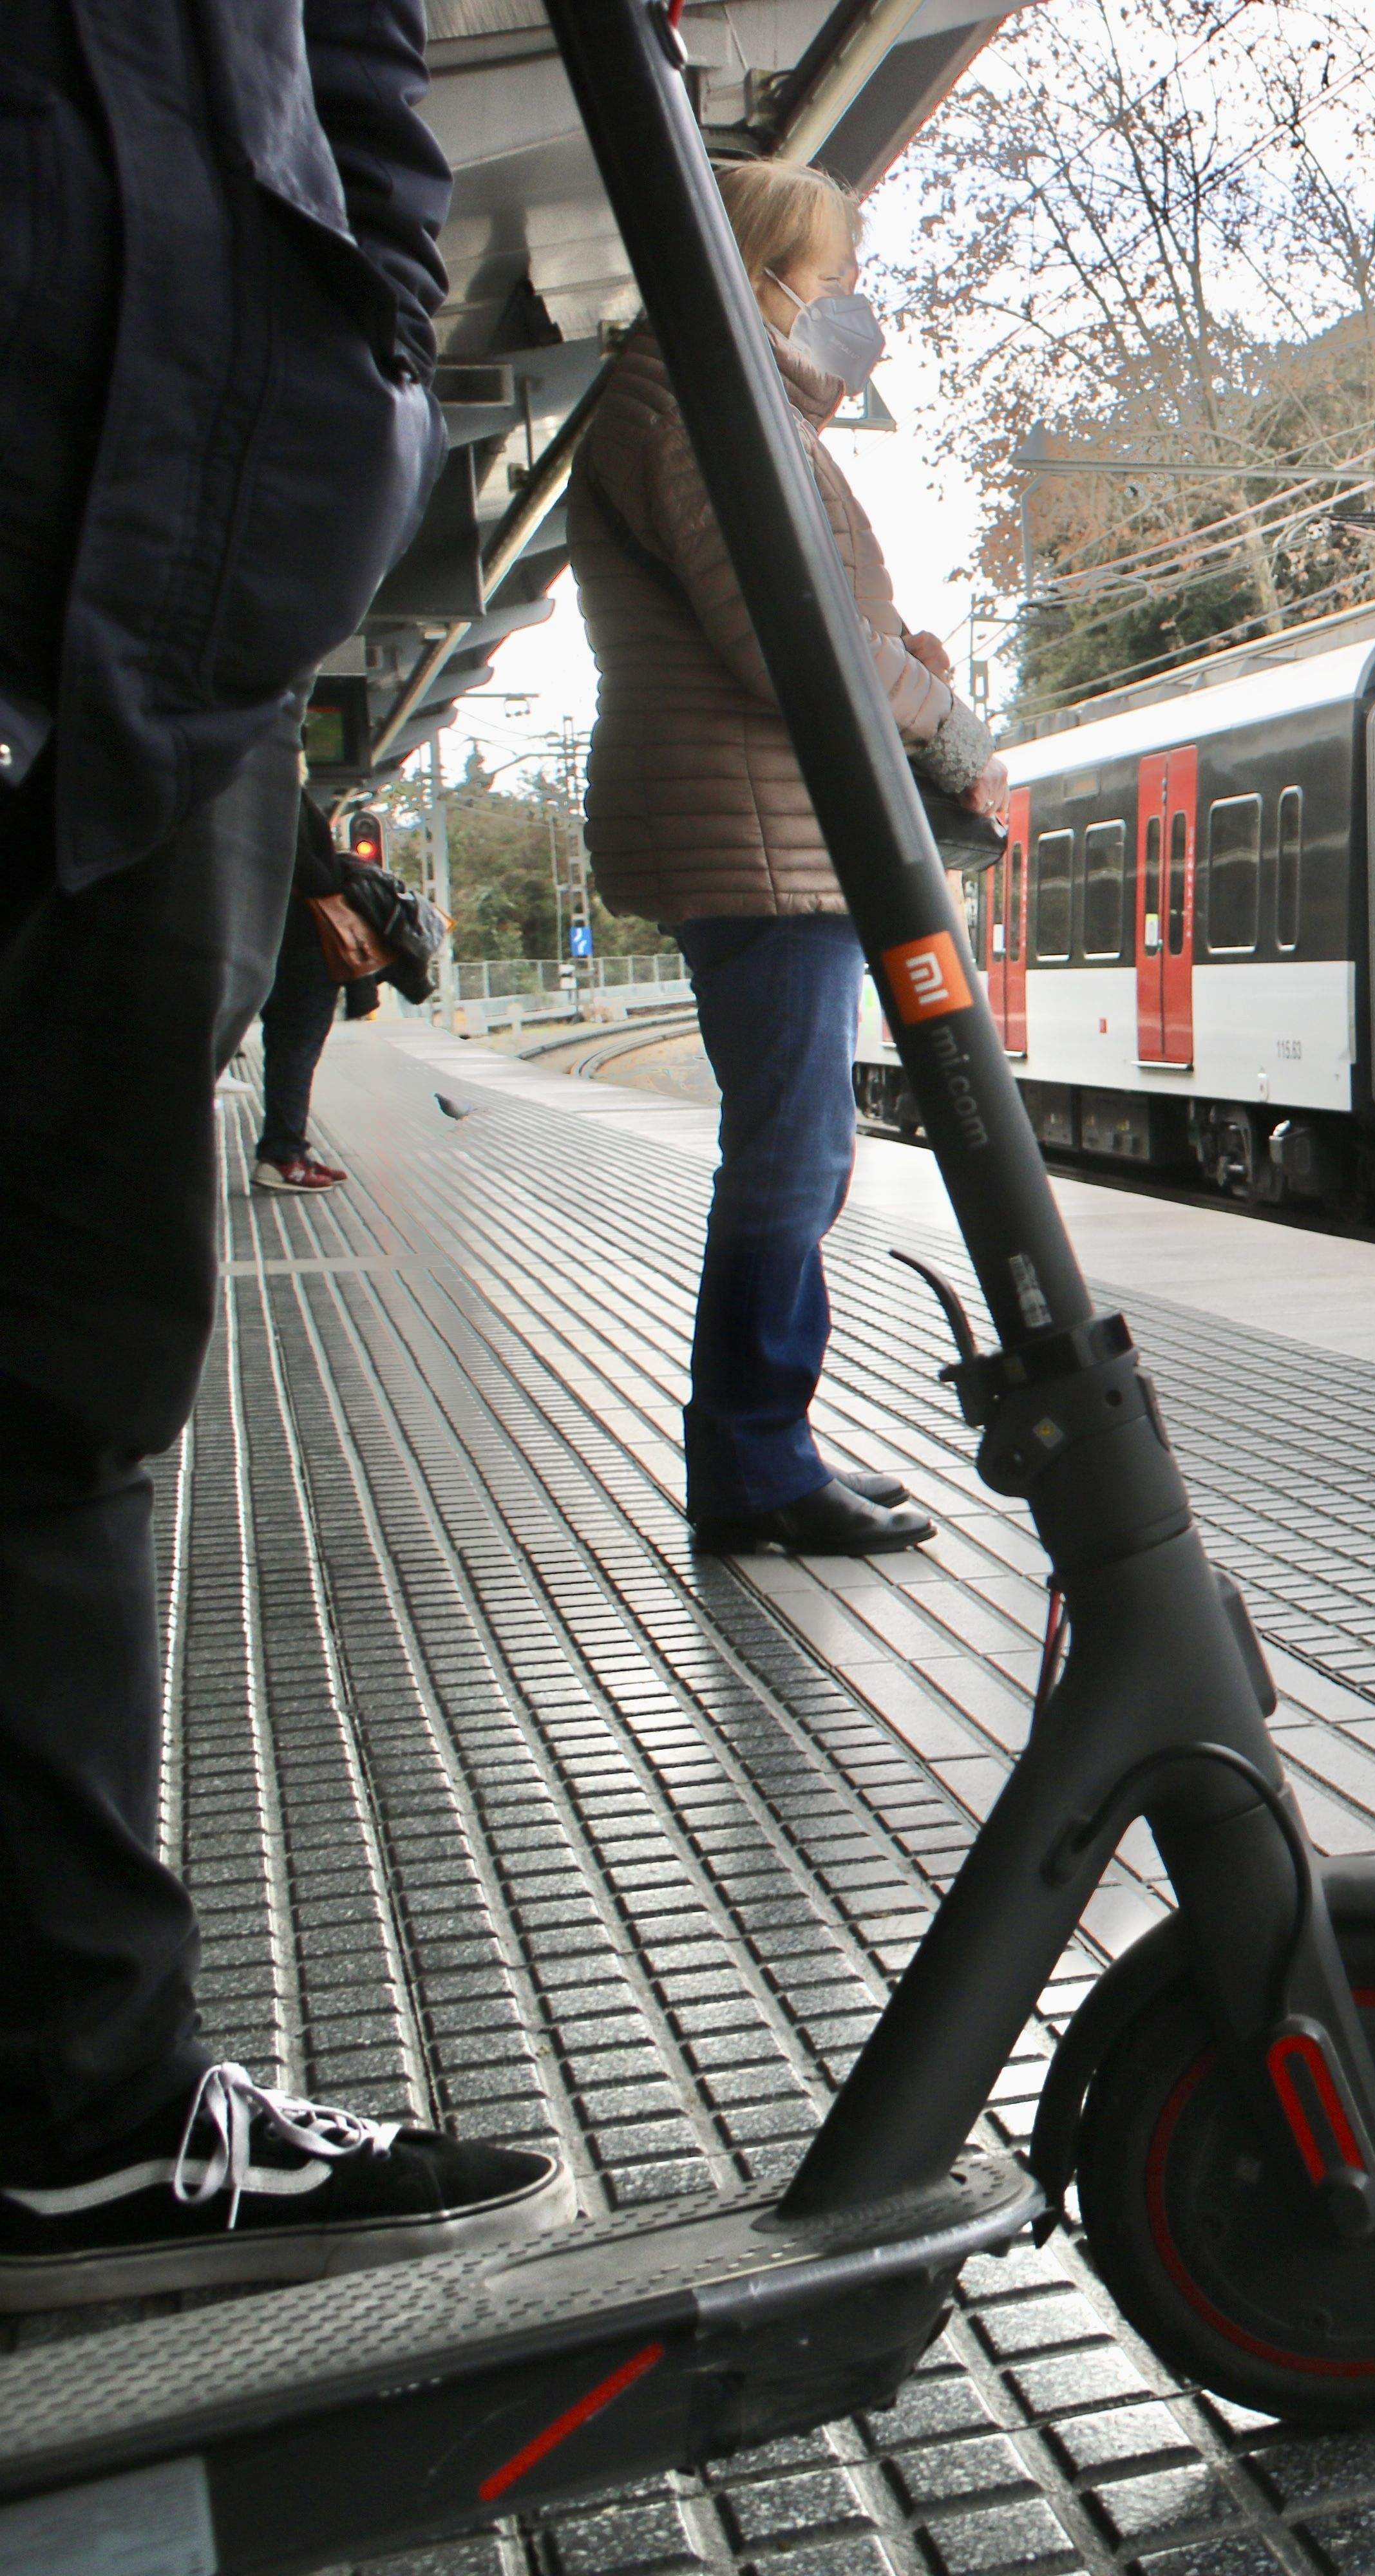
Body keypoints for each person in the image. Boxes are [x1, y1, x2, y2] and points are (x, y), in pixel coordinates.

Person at [0, 0, 572, 2309]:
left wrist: (349, 344)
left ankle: (79, 2108)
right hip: (116, 552)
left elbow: (349, 73)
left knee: (68, 1393)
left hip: (163, 638)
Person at [570, 157, 1000, 1559]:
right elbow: (784, 636)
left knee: (796, 1150)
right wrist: (944, 714)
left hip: (770, 818)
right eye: (820, 275)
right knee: (792, 1152)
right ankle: (755, 1463)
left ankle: (772, 1444)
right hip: (752, 824)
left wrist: (906, 672)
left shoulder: (714, 400)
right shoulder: (696, 405)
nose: (839, 301)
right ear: (758, 268)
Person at [251, 795, 361, 1195]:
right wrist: (345, 876)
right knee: (295, 1051)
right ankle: (283, 1158)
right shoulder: (278, 788)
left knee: (287, 1050)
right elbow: (300, 863)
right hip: (301, 943)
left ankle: (289, 1150)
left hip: (278, 939)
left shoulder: (258, 787)